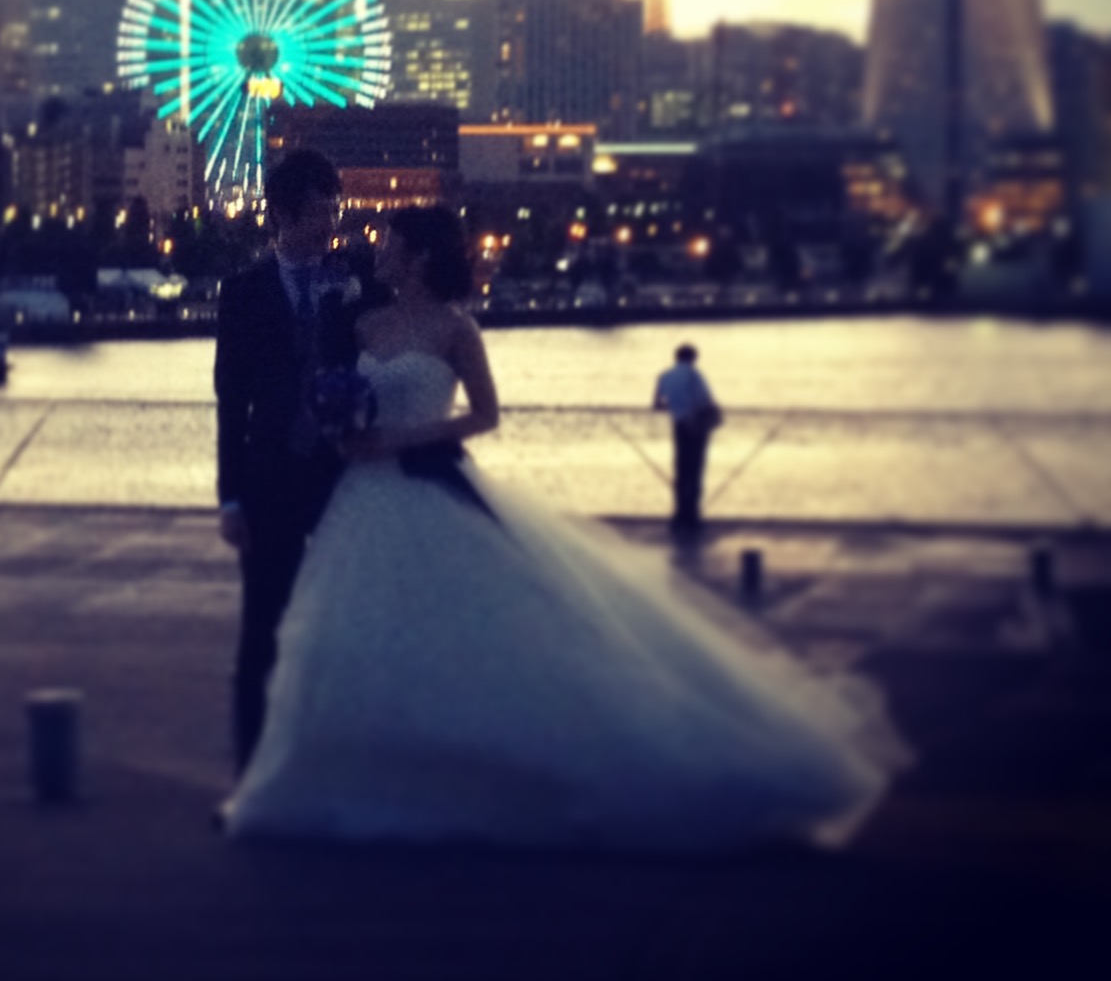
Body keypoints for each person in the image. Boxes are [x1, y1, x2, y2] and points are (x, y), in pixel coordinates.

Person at [223, 206, 906, 851]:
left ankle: (477, 771)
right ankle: (378, 771)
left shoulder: (457, 328)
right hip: (362, 495)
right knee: (358, 633)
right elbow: (321, 385)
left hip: (424, 482)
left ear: (420, 254)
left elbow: (485, 415)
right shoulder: (363, 321)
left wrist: (398, 437)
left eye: (392, 242)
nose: (379, 249)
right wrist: (342, 428)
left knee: (460, 631)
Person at [214, 149, 378, 774]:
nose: (331, 222)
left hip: (342, 476)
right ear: (282, 214)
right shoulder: (243, 292)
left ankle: (330, 759)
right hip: (270, 478)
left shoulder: (360, 281)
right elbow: (232, 402)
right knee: (263, 627)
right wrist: (231, 497)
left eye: (335, 209)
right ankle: (252, 770)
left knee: (343, 621)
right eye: (318, 211)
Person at [654, 342, 722, 535]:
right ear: (693, 358)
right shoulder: (694, 375)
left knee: (681, 470)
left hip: (678, 425)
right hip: (697, 426)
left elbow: (657, 405)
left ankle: (679, 515)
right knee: (696, 471)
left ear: (676, 357)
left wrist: (676, 408)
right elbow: (705, 400)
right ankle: (692, 516)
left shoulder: (664, 376)